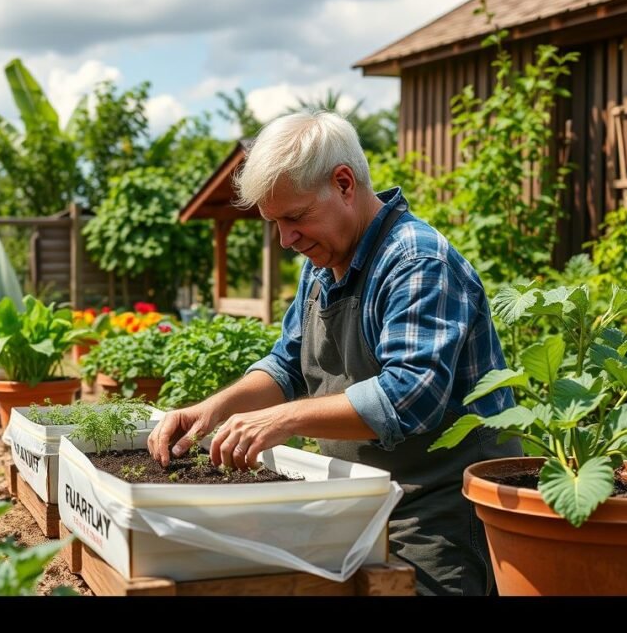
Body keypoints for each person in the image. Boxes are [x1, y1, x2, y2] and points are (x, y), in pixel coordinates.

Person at [147, 110, 521, 596]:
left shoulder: (416, 260)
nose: (286, 240)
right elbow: (287, 365)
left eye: (296, 217)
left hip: (440, 501)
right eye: (275, 223)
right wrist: (212, 408)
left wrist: (283, 420)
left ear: (344, 183)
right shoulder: (323, 264)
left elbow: (408, 397)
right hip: (362, 495)